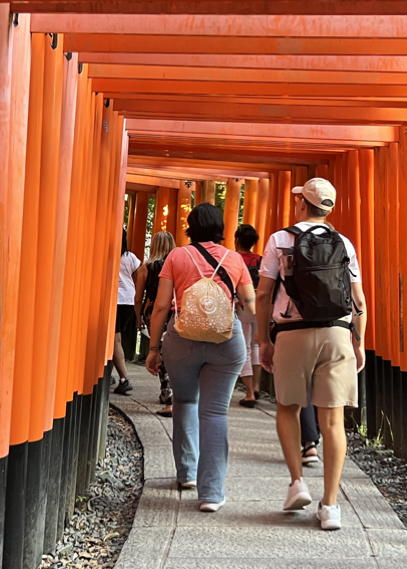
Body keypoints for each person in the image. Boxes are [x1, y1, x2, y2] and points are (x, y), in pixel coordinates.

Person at [257, 178, 367, 531]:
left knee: (288, 407)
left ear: (302, 204)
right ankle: (331, 505)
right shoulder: (343, 243)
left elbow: (263, 294)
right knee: (332, 421)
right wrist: (359, 341)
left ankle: (296, 482)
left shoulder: (280, 239)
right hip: (337, 333)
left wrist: (263, 339)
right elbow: (359, 302)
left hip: (291, 333)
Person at [146, 203, 255, 512]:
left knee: (185, 401)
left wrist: (154, 348)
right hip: (225, 340)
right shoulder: (233, 259)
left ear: (190, 226)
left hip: (182, 339)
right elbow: (248, 303)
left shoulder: (177, 256)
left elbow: (161, 306)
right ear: (221, 227)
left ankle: (187, 474)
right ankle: (211, 493)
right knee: (216, 413)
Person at [135, 231, 176, 416]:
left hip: (152, 311)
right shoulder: (176, 265)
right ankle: (170, 388)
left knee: (158, 348)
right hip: (173, 310)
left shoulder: (146, 267)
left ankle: (166, 389)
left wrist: (138, 317)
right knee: (171, 350)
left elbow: (138, 297)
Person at [233, 224, 264, 408]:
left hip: (242, 305)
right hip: (259, 304)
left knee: (244, 347)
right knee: (257, 345)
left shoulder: (234, 259)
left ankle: (250, 393)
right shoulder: (259, 259)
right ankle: (258, 385)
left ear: (237, 239)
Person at [112, 229, 141, 395]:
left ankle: (124, 378)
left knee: (114, 340)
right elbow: (138, 275)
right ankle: (116, 376)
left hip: (115, 300)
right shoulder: (130, 257)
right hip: (128, 300)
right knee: (117, 339)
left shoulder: (108, 255)